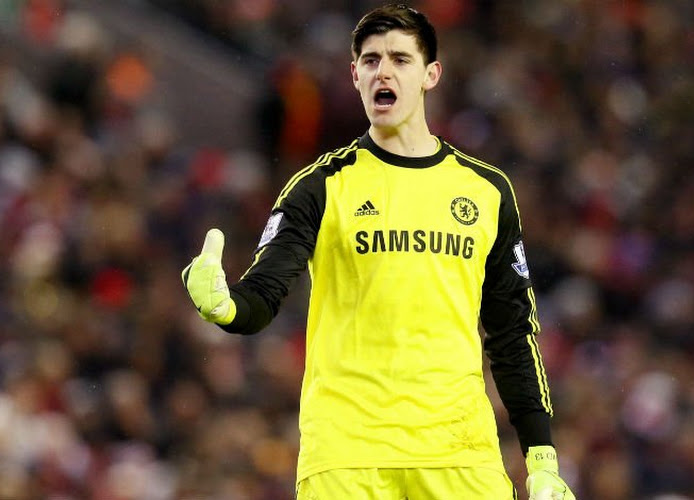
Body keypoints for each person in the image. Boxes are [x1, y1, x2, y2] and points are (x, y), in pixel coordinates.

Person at [182, 4, 575, 499]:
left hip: (458, 455)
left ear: (431, 74)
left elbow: (512, 331)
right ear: (354, 75)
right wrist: (225, 306)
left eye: (400, 59)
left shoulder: (486, 192)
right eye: (370, 61)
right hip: (349, 457)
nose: (382, 71)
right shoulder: (320, 188)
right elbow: (263, 295)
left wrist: (540, 458)